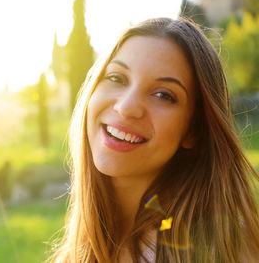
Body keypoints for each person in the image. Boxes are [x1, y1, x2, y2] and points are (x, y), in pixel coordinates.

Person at [47, 17, 259, 262]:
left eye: (163, 95)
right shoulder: (79, 251)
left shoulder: (221, 251)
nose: (126, 107)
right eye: (116, 78)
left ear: (193, 132)